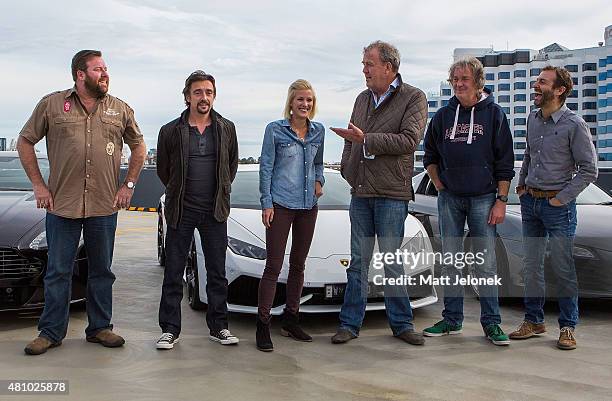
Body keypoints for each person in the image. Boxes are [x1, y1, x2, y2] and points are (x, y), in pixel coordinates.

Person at [18, 49, 146, 355]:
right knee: (58, 271)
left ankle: (100, 328)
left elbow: (139, 146)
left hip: (103, 206)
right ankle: (50, 332)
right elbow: (25, 141)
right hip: (62, 206)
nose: (105, 74)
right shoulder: (52, 105)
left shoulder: (119, 108)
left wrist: (128, 184)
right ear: (80, 74)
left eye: (105, 68)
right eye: (98, 69)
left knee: (101, 270)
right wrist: (39, 185)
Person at [330, 40, 428, 345]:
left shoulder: (414, 97)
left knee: (391, 261)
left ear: (388, 67)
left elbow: (409, 140)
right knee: (358, 262)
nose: (364, 69)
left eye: (368, 64)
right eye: (363, 64)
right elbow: (351, 141)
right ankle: (349, 324)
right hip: (360, 192)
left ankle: (401, 324)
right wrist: (348, 169)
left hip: (391, 193)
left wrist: (367, 140)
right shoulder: (361, 99)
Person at [422, 57, 515, 346]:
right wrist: (439, 184)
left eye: (465, 79)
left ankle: (492, 323)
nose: (459, 84)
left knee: (485, 264)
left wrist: (501, 200)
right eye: (455, 80)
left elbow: (505, 162)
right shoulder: (442, 116)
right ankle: (452, 320)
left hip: (484, 199)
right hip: (450, 198)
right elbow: (430, 155)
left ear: (478, 82)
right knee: (450, 262)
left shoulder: (494, 115)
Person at [510, 66, 597, 350]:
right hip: (530, 203)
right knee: (531, 266)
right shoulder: (532, 120)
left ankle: (568, 327)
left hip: (558, 207)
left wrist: (561, 198)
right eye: (537, 81)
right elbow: (528, 155)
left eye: (543, 82)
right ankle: (533, 321)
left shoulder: (575, 124)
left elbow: (589, 170)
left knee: (562, 268)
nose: (536, 86)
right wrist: (522, 185)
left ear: (559, 90)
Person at [156, 70, 239, 349]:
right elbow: (164, 171)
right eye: (198, 92)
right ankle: (169, 329)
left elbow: (231, 167)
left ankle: (219, 327)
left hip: (214, 211)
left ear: (214, 96)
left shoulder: (227, 128)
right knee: (173, 271)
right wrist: (181, 193)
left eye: (209, 92)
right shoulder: (170, 131)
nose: (204, 98)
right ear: (187, 97)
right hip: (182, 210)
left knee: (217, 272)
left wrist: (219, 194)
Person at [256, 79, 325, 352]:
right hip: (281, 204)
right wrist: (266, 204)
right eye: (300, 100)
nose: (305, 104)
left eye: (309, 100)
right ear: (291, 103)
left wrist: (320, 181)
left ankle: (291, 320)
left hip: (309, 206)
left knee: (298, 265)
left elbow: (318, 163)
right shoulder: (275, 130)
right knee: (273, 266)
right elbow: (266, 168)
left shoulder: (318, 131)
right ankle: (263, 325)